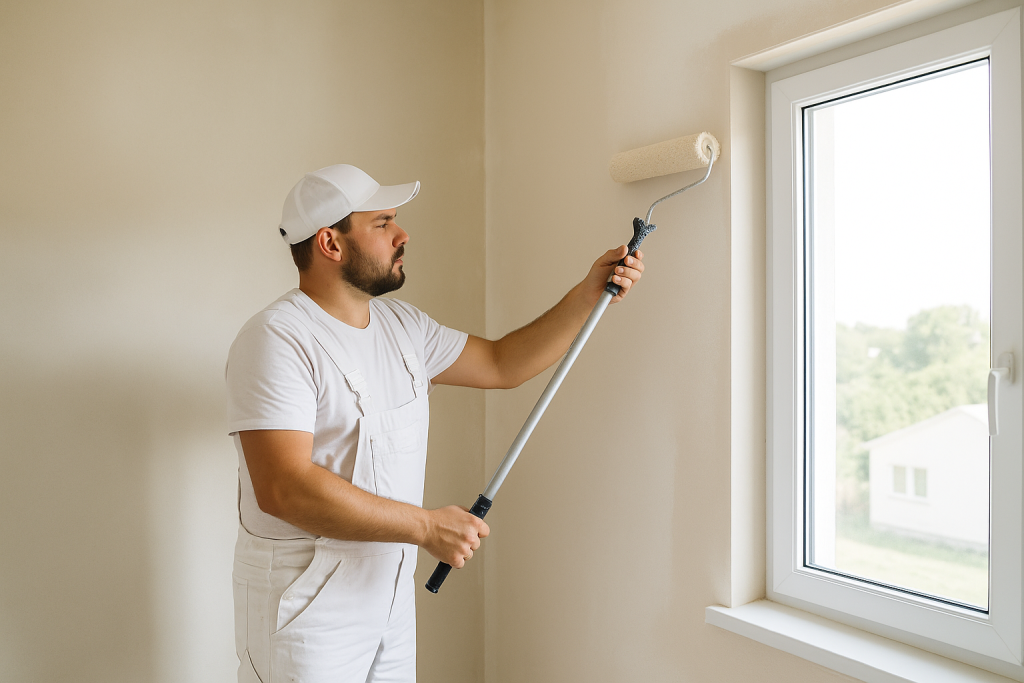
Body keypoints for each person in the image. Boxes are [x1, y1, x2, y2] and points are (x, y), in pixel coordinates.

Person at [225, 164, 644, 683]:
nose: (402, 235)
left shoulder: (404, 328)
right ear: (331, 244)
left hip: (390, 593)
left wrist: (587, 294)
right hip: (307, 604)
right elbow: (283, 489)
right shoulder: (277, 339)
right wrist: (425, 527)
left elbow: (501, 364)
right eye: (381, 224)